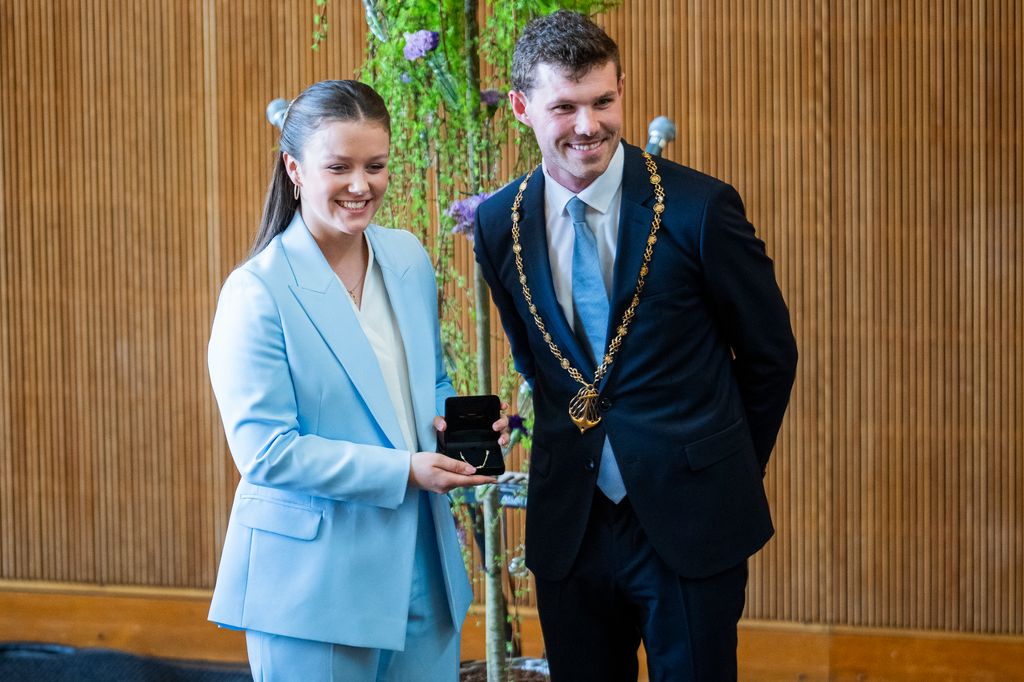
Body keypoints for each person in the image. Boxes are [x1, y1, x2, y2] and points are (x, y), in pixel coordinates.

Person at [473, 12, 798, 681]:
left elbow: (770, 356)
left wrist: (719, 465)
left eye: (603, 101)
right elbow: (538, 365)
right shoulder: (495, 225)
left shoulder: (699, 208)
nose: (588, 126)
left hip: (691, 519)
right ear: (521, 108)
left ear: (622, 88)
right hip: (572, 526)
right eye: (564, 106)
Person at [207, 79, 504, 682]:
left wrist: (463, 429)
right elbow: (267, 453)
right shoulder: (256, 290)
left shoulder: (407, 257)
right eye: (339, 167)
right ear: (294, 167)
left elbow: (429, 382)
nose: (361, 186)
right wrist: (405, 470)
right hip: (313, 586)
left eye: (376, 166)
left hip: (423, 567)